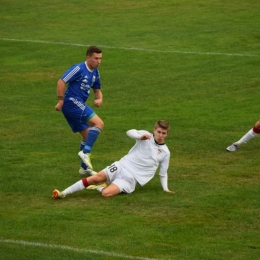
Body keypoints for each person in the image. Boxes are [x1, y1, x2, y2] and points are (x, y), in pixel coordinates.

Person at [52, 120, 174, 199]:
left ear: (167, 134)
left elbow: (163, 173)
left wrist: (166, 189)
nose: (160, 135)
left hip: (132, 179)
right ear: (154, 130)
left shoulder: (165, 152)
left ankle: (99, 187)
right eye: (159, 132)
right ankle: (64, 193)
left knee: (106, 193)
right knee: (95, 178)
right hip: (122, 165)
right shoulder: (145, 136)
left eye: (163, 133)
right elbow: (129, 132)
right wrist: (139, 136)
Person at [55, 46, 104, 175]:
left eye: (100, 59)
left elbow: (97, 90)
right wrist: (60, 100)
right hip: (72, 102)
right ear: (88, 58)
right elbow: (61, 81)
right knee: (99, 124)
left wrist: (99, 99)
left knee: (88, 136)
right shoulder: (79, 68)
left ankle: (84, 168)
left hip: (76, 105)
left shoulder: (95, 73)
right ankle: (85, 153)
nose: (98, 61)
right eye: (96, 58)